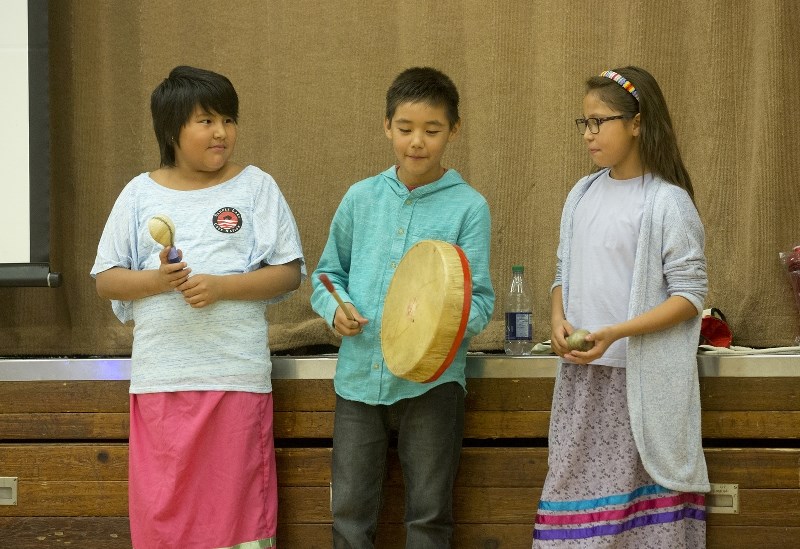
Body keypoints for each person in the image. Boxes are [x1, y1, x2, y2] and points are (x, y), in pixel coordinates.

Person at [91, 65, 305, 549]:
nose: (222, 132)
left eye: (228, 120)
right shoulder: (139, 193)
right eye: (206, 120)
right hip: (161, 381)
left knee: (236, 516)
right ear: (172, 130)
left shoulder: (256, 187)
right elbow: (106, 280)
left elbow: (289, 272)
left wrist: (222, 288)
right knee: (164, 514)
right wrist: (157, 280)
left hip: (234, 377)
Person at [310, 66, 494, 548]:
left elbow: (480, 300)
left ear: (454, 130)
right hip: (357, 381)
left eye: (432, 130)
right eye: (406, 129)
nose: (417, 142)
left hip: (433, 386)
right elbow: (327, 275)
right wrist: (337, 309)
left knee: (429, 515)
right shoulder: (360, 198)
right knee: (348, 514)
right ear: (386, 126)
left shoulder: (468, 207)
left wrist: (436, 330)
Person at [533, 66, 709, 547]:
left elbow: (690, 295)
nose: (588, 134)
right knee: (573, 509)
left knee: (637, 521)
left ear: (637, 122)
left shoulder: (667, 202)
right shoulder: (581, 194)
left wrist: (617, 331)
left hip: (638, 386)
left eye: (600, 121)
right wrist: (556, 318)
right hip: (583, 379)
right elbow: (561, 274)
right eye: (584, 123)